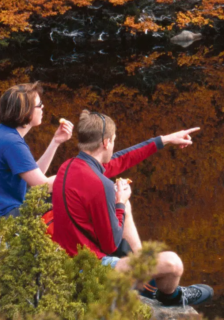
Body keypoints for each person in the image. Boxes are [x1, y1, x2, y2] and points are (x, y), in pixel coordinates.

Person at [51, 110, 213, 307]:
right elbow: (111, 244)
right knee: (172, 263)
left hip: (68, 259)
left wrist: (166, 139)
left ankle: (148, 280)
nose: (114, 146)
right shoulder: (100, 185)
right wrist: (119, 202)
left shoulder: (68, 166)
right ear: (106, 142)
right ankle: (172, 297)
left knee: (124, 207)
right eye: (114, 140)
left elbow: (121, 159)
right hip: (88, 270)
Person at [0, 82, 73, 224]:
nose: (43, 107)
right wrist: (77, 175)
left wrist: (55, 142)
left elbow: (35, 175)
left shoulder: (1, 132)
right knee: (56, 199)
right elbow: (43, 186)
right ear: (26, 111)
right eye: (39, 104)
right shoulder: (12, 143)